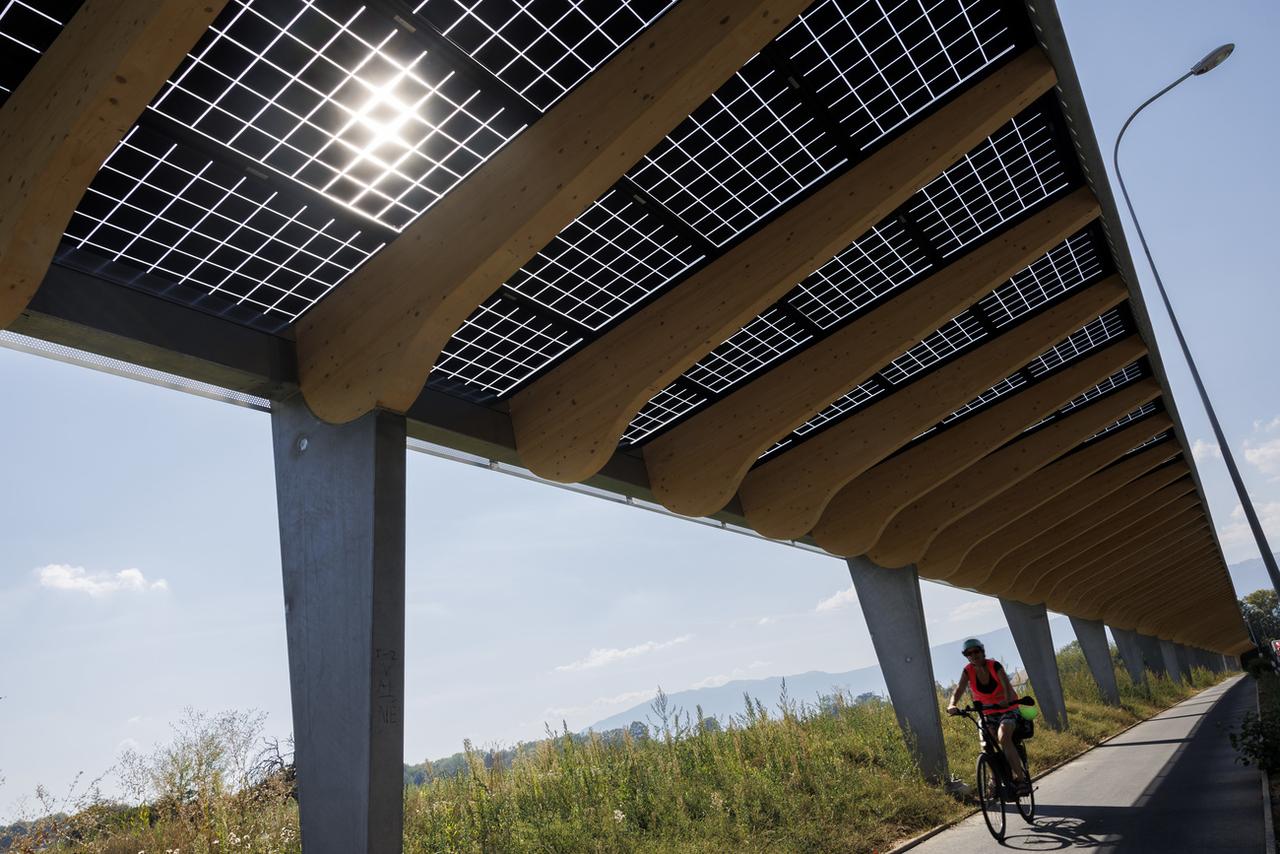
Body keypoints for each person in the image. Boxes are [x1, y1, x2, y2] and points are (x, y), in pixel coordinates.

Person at [946, 638, 1031, 794]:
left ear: (982, 651)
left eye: (976, 651)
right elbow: (959, 688)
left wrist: (1006, 700)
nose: (973, 655)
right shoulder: (968, 671)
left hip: (1008, 709)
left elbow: (1006, 684)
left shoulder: (994, 665)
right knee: (986, 743)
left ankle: (1021, 779)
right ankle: (994, 779)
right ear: (966, 656)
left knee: (1003, 736)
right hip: (987, 712)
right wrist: (952, 704)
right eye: (968, 653)